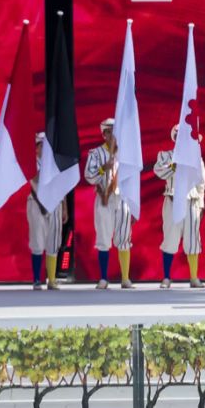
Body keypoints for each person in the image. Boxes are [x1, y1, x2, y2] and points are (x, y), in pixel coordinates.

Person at [154, 125, 205, 289]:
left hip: (191, 201)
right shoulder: (165, 155)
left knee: (192, 240)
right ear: (175, 138)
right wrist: (174, 165)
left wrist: (201, 203)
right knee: (170, 237)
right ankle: (167, 277)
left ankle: (194, 277)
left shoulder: (195, 158)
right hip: (172, 200)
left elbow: (201, 182)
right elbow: (158, 171)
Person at [84, 118, 133, 289]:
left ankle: (125, 278)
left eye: (115, 131)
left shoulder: (127, 154)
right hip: (104, 199)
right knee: (104, 238)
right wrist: (103, 168)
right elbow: (89, 176)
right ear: (104, 134)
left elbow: (132, 179)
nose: (113, 135)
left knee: (124, 237)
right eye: (109, 131)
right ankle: (103, 278)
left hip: (122, 199)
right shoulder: (96, 154)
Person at [28, 132, 67, 291]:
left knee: (54, 241)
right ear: (36, 148)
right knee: (37, 241)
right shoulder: (32, 163)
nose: (44, 149)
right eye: (41, 145)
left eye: (47, 146)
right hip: (37, 203)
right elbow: (36, 178)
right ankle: (37, 279)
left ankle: (51, 279)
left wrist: (64, 207)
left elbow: (61, 185)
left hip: (55, 204)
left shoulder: (54, 164)